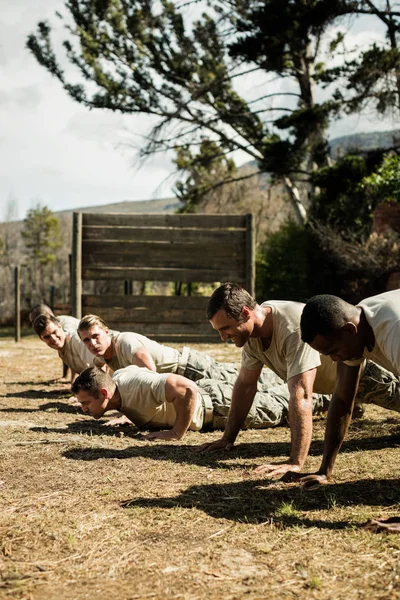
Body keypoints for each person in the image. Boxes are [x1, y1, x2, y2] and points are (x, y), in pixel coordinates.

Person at [197, 283, 399, 480]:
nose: (223, 337)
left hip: (373, 375)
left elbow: (302, 393)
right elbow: (246, 386)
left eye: (226, 328)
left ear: (245, 313)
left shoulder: (291, 326)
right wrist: (227, 438)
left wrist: (295, 461)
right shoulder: (252, 335)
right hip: (343, 375)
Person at [298, 290, 400, 488]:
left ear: (349, 330)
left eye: (334, 351)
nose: (334, 359)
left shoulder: (393, 331)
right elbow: (343, 399)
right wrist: (325, 471)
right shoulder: (358, 326)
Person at [71, 365, 331, 441]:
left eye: (85, 403)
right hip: (212, 396)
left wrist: (175, 433)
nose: (83, 409)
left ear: (104, 394)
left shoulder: (136, 385)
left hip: (217, 407)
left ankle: (334, 397)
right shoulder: (118, 381)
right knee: (276, 390)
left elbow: (185, 390)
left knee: (282, 404)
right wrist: (130, 415)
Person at [77, 314, 280, 386]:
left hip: (189, 368)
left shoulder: (126, 343)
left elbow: (150, 379)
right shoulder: (101, 356)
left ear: (106, 331)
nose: (92, 343)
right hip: (181, 379)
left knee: (243, 382)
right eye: (86, 340)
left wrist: (124, 412)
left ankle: (284, 380)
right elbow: (98, 369)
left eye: (96, 336)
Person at [33, 314, 94, 382]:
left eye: (54, 332)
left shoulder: (76, 341)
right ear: (42, 339)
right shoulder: (62, 351)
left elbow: (101, 363)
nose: (53, 338)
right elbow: (76, 366)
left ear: (60, 326)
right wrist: (73, 387)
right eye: (47, 337)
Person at [29, 304, 80, 379]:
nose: (34, 324)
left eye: (35, 320)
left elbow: (72, 351)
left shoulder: (64, 325)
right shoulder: (53, 327)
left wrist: (71, 381)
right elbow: (65, 354)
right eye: (32, 322)